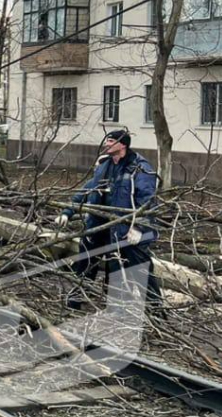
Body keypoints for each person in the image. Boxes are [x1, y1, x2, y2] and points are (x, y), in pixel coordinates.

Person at [55, 129, 160, 310]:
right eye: (106, 141)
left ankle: (157, 310)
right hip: (99, 225)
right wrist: (67, 212)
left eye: (110, 141)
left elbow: (148, 202)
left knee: (138, 269)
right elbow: (88, 189)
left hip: (125, 230)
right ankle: (76, 299)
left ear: (122, 144)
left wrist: (139, 228)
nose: (106, 144)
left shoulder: (139, 168)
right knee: (86, 261)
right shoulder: (104, 165)